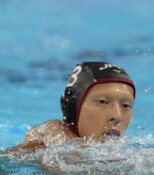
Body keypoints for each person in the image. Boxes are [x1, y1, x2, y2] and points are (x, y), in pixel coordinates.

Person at [3, 62, 136, 154]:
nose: (117, 116)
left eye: (126, 105)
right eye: (102, 102)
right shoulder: (52, 137)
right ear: (73, 108)